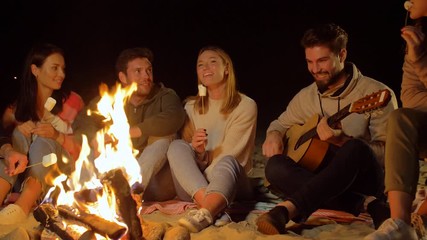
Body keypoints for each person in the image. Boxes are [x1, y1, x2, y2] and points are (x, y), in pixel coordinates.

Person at [256, 23, 398, 235]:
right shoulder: (307, 96)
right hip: (327, 179)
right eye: (309, 62)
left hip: (366, 178)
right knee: (274, 167)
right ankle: (365, 203)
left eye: (322, 61)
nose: (315, 69)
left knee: (355, 148)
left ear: (341, 54)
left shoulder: (376, 93)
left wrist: (342, 142)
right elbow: (280, 123)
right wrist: (274, 134)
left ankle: (287, 210)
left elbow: (391, 154)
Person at [70, 47, 186, 201]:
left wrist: (128, 132)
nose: (146, 76)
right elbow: (83, 122)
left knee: (165, 138)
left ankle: (126, 196)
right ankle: (86, 195)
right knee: (94, 142)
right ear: (123, 77)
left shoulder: (165, 95)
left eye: (149, 70)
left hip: (155, 181)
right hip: (118, 175)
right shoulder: (111, 99)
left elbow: (175, 116)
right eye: (138, 71)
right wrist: (96, 138)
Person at [166, 46, 257, 233]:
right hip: (195, 185)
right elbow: (186, 161)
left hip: (232, 185)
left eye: (213, 62)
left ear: (226, 68)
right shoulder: (190, 107)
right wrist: (198, 153)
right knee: (176, 146)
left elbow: (232, 156)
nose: (205, 67)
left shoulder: (245, 106)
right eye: (200, 65)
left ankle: (206, 210)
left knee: (227, 161)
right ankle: (212, 209)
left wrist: (202, 160)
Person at [0, 43, 84, 237]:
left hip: (61, 168)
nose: (61, 74)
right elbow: (2, 134)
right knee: (17, 136)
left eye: (63, 69)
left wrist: (56, 135)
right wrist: (16, 130)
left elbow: (84, 147)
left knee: (43, 138)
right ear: (35, 70)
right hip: (23, 169)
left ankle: (22, 207)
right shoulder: (18, 105)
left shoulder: (72, 101)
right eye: (54, 68)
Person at [363, 2, 427, 239]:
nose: (406, 3)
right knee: (401, 118)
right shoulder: (420, 36)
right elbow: (409, 97)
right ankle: (400, 223)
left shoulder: (418, 49)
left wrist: (420, 62)